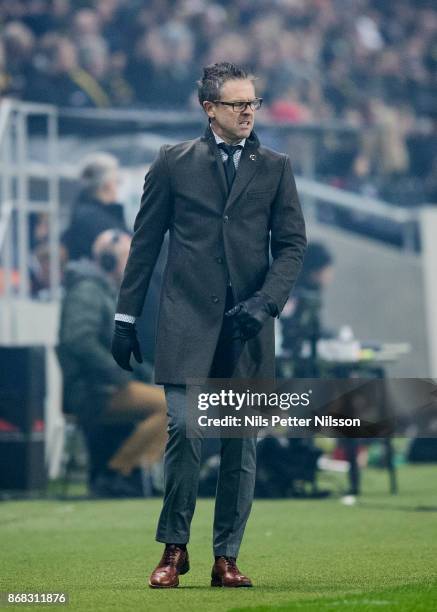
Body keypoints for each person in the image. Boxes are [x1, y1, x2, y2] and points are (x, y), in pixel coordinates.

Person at [111, 62, 307, 587]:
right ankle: (175, 550)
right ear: (209, 109)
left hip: (248, 328)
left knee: (241, 444)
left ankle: (226, 557)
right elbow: (145, 244)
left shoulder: (276, 166)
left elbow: (291, 246)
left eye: (253, 103)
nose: (248, 112)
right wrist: (125, 317)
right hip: (185, 325)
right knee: (185, 428)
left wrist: (265, 304)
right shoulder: (172, 162)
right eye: (238, 103)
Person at [57, 229, 167, 497]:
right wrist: (119, 373)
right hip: (93, 391)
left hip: (104, 385)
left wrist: (147, 374)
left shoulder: (99, 290)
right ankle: (121, 472)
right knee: (174, 408)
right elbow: (79, 341)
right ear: (110, 261)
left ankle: (127, 472)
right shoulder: (88, 291)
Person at [280, 242, 334, 376]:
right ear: (315, 271)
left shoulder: (310, 293)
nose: (330, 275)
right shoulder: (297, 296)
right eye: (328, 270)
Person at [63, 152, 128, 262]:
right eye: (117, 181)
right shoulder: (94, 218)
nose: (118, 186)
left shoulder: (84, 214)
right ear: (107, 184)